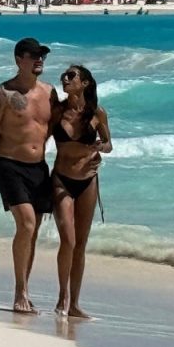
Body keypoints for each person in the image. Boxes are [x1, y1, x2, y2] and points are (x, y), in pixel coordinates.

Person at [0, 37, 59, 313]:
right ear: (18, 59)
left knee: (31, 234)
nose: (39, 60)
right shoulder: (3, 93)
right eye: (33, 56)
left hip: (40, 168)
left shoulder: (50, 93)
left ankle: (25, 289)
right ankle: (19, 292)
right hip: (10, 165)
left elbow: (61, 130)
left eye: (42, 56)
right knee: (27, 225)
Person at [52, 64, 111, 319]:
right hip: (61, 179)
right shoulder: (58, 111)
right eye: (64, 76)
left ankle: (74, 303)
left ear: (85, 83)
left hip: (88, 180)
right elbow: (37, 137)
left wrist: (100, 146)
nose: (65, 79)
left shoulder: (97, 113)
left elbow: (109, 144)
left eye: (71, 76)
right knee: (68, 239)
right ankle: (62, 295)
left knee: (81, 245)